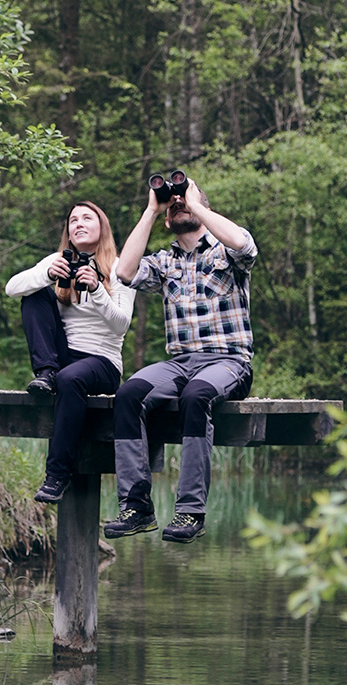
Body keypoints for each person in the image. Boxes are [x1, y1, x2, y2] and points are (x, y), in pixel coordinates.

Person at [103, 175, 258, 544]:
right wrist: (152, 210)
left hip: (229, 362)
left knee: (196, 397)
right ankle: (136, 506)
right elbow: (123, 272)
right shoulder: (163, 262)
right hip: (179, 364)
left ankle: (190, 511)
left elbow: (242, 242)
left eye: (184, 200)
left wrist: (197, 203)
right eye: (175, 206)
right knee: (128, 395)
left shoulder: (226, 251)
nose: (179, 205)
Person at [6, 202, 136, 503]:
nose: (78, 223)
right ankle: (45, 372)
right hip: (63, 358)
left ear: (102, 226)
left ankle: (57, 474)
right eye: (73, 220)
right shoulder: (59, 261)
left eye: (87, 218)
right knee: (32, 294)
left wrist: (99, 289)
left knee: (70, 378)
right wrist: (47, 275)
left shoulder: (119, 268)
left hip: (102, 362)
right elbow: (12, 288)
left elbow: (121, 325)